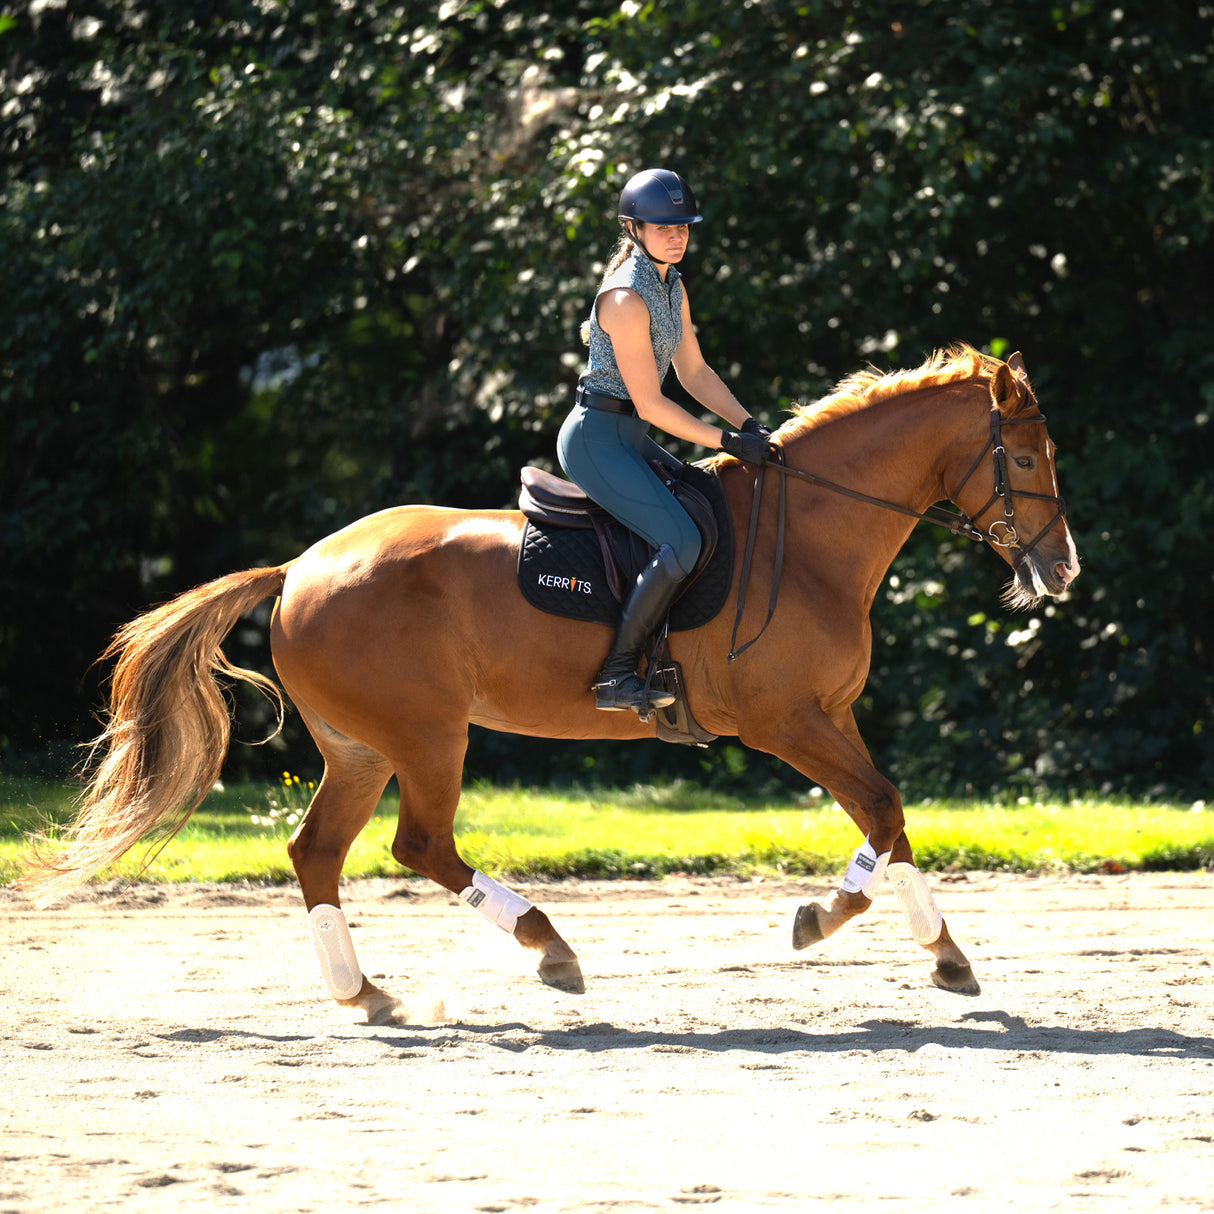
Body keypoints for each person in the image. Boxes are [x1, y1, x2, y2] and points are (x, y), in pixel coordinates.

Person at [558, 168, 774, 715]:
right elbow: (653, 403)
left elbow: (695, 373)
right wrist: (724, 440)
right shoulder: (626, 299)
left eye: (683, 226)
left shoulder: (671, 284)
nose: (676, 236)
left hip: (629, 435)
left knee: (707, 501)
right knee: (682, 538)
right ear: (634, 228)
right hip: (596, 440)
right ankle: (615, 677)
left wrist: (749, 426)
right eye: (663, 227)